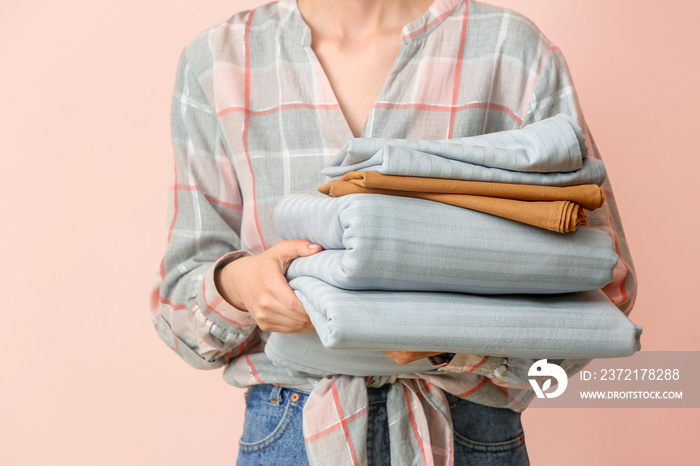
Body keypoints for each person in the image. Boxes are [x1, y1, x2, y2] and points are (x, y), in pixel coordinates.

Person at [151, 0, 637, 464]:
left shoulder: (514, 51)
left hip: (468, 429)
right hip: (288, 428)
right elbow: (179, 309)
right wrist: (242, 283)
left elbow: (604, 284)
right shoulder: (217, 61)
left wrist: (452, 344)